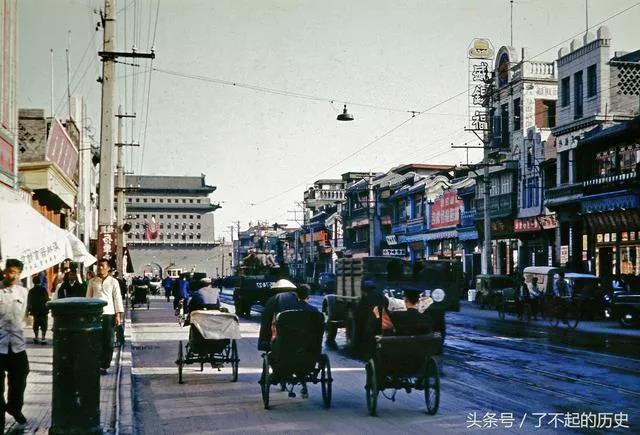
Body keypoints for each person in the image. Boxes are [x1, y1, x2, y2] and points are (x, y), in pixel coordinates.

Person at [0, 259, 30, 428]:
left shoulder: (23, 292)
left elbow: (23, 315)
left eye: (16, 273)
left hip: (17, 344)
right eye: (10, 272)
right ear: (5, 271)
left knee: (21, 375)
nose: (13, 276)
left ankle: (14, 407)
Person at [86, 259, 125, 375]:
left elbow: (117, 298)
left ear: (108, 268)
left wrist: (118, 315)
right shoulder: (92, 281)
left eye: (102, 266)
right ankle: (95, 363)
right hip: (95, 314)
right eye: (99, 266)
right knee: (95, 340)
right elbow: (88, 298)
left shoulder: (113, 282)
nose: (100, 268)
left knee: (108, 341)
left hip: (109, 314)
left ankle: (104, 365)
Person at [258, 280, 317, 352]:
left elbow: (266, 323)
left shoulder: (274, 299)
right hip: (305, 344)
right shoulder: (311, 308)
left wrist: (264, 343)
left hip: (282, 343)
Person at [352, 280, 388, 357]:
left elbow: (359, 313)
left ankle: (358, 349)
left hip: (371, 325)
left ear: (363, 290)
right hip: (382, 322)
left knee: (358, 327)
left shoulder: (365, 299)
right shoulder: (382, 297)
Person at [27, 274, 50, 344]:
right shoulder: (43, 289)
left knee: (36, 323)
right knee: (44, 324)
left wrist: (28, 309)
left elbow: (29, 301)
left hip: (35, 310)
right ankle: (43, 338)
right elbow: (47, 299)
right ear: (40, 281)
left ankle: (36, 337)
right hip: (43, 310)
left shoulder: (31, 291)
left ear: (33, 282)